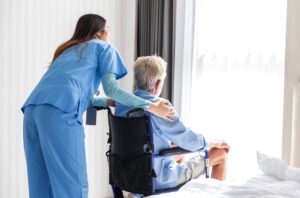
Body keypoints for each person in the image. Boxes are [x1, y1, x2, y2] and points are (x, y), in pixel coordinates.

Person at [21, 14, 176, 198]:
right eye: (108, 28)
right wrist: (151, 106)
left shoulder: (68, 51)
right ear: (99, 32)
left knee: (41, 184)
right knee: (73, 187)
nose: (109, 33)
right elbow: (112, 89)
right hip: (60, 114)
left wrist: (107, 102)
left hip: (32, 110)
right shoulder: (103, 47)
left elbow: (75, 95)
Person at [115, 56, 230, 190]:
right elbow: (188, 140)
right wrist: (212, 142)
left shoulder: (122, 104)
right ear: (158, 83)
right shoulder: (161, 107)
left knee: (179, 153)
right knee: (221, 153)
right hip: (155, 178)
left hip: (127, 175)